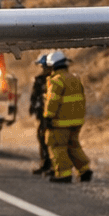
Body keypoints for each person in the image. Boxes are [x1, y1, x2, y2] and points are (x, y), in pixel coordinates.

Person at [41, 50, 93, 183]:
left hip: (60, 122)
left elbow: (53, 101)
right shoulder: (75, 79)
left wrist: (48, 117)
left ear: (52, 66)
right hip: (77, 121)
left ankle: (63, 174)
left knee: (57, 146)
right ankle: (85, 170)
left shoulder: (56, 80)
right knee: (73, 146)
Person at [27, 53, 52, 174]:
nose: (45, 69)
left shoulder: (53, 79)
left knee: (49, 139)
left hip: (51, 114)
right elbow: (34, 96)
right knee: (42, 137)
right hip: (44, 114)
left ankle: (51, 165)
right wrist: (33, 108)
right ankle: (46, 163)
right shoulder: (41, 79)